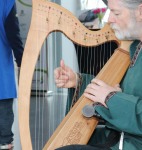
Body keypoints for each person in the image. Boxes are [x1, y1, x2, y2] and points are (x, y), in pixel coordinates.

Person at [54, 0, 142, 149]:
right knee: (69, 139)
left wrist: (110, 98)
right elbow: (121, 90)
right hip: (122, 135)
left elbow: (115, 95)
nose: (109, 19)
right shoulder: (135, 47)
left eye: (116, 13)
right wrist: (78, 81)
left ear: (140, 12)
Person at [0, 0, 23, 149]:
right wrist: (21, 59)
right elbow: (13, 33)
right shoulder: (6, 1)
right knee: (4, 104)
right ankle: (5, 142)